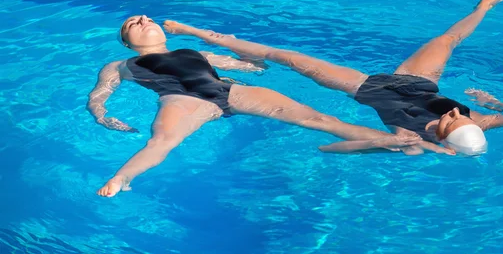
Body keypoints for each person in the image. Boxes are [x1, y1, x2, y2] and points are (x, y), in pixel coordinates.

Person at [88, 16, 445, 198]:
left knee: (319, 119)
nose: (143, 21)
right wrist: (102, 115)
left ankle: (406, 143)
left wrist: (250, 61)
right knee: (160, 141)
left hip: (230, 91)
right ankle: (123, 178)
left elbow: (252, 67)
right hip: (181, 101)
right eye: (133, 23)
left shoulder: (195, 52)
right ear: (127, 41)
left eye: (146, 19)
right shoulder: (120, 65)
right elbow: (99, 94)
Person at [163, 0, 503, 156]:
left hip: (365, 88)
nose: (456, 110)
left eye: (452, 120)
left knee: (289, 57)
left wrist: (381, 141)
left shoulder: (415, 142)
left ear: (444, 139)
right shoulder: (480, 121)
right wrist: (493, 101)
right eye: (461, 113)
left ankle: (200, 36)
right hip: (417, 82)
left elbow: (330, 147)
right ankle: (485, 5)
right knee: (446, 40)